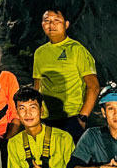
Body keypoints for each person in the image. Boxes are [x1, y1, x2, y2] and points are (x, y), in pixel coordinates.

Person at [33, 9, 99, 141]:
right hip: (47, 119)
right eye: (47, 21)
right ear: (42, 25)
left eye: (57, 20)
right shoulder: (40, 53)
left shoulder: (76, 50)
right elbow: (37, 87)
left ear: (66, 24)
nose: (51, 25)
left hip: (71, 118)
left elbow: (94, 86)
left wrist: (82, 117)